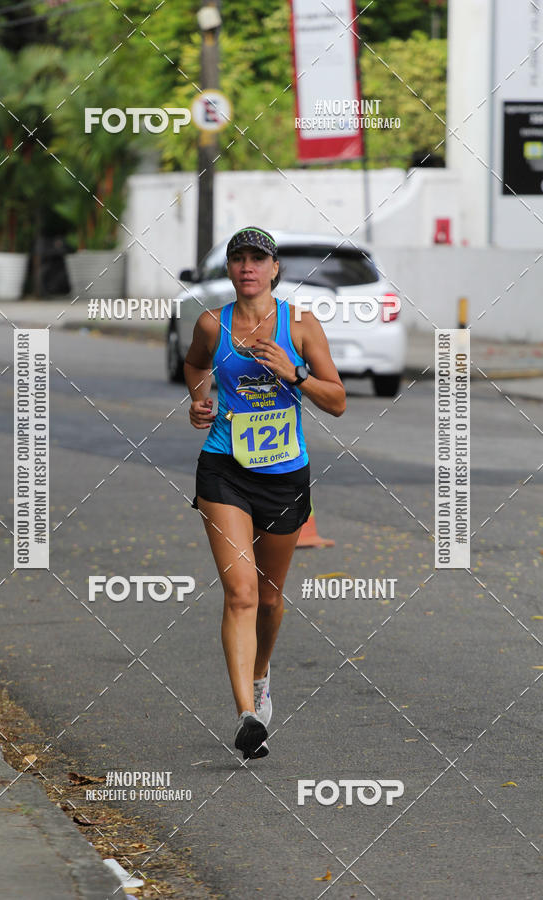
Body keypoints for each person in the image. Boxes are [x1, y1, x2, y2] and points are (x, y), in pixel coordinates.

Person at [185, 226, 346, 760]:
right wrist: (199, 400)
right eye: (239, 258)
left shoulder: (300, 325)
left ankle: (260, 675)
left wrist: (294, 373)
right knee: (241, 594)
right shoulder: (212, 324)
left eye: (259, 258)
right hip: (224, 468)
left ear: (275, 269)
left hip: (283, 477)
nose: (248, 266)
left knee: (270, 599)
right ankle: (246, 717)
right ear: (230, 269)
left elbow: (338, 401)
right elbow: (195, 364)